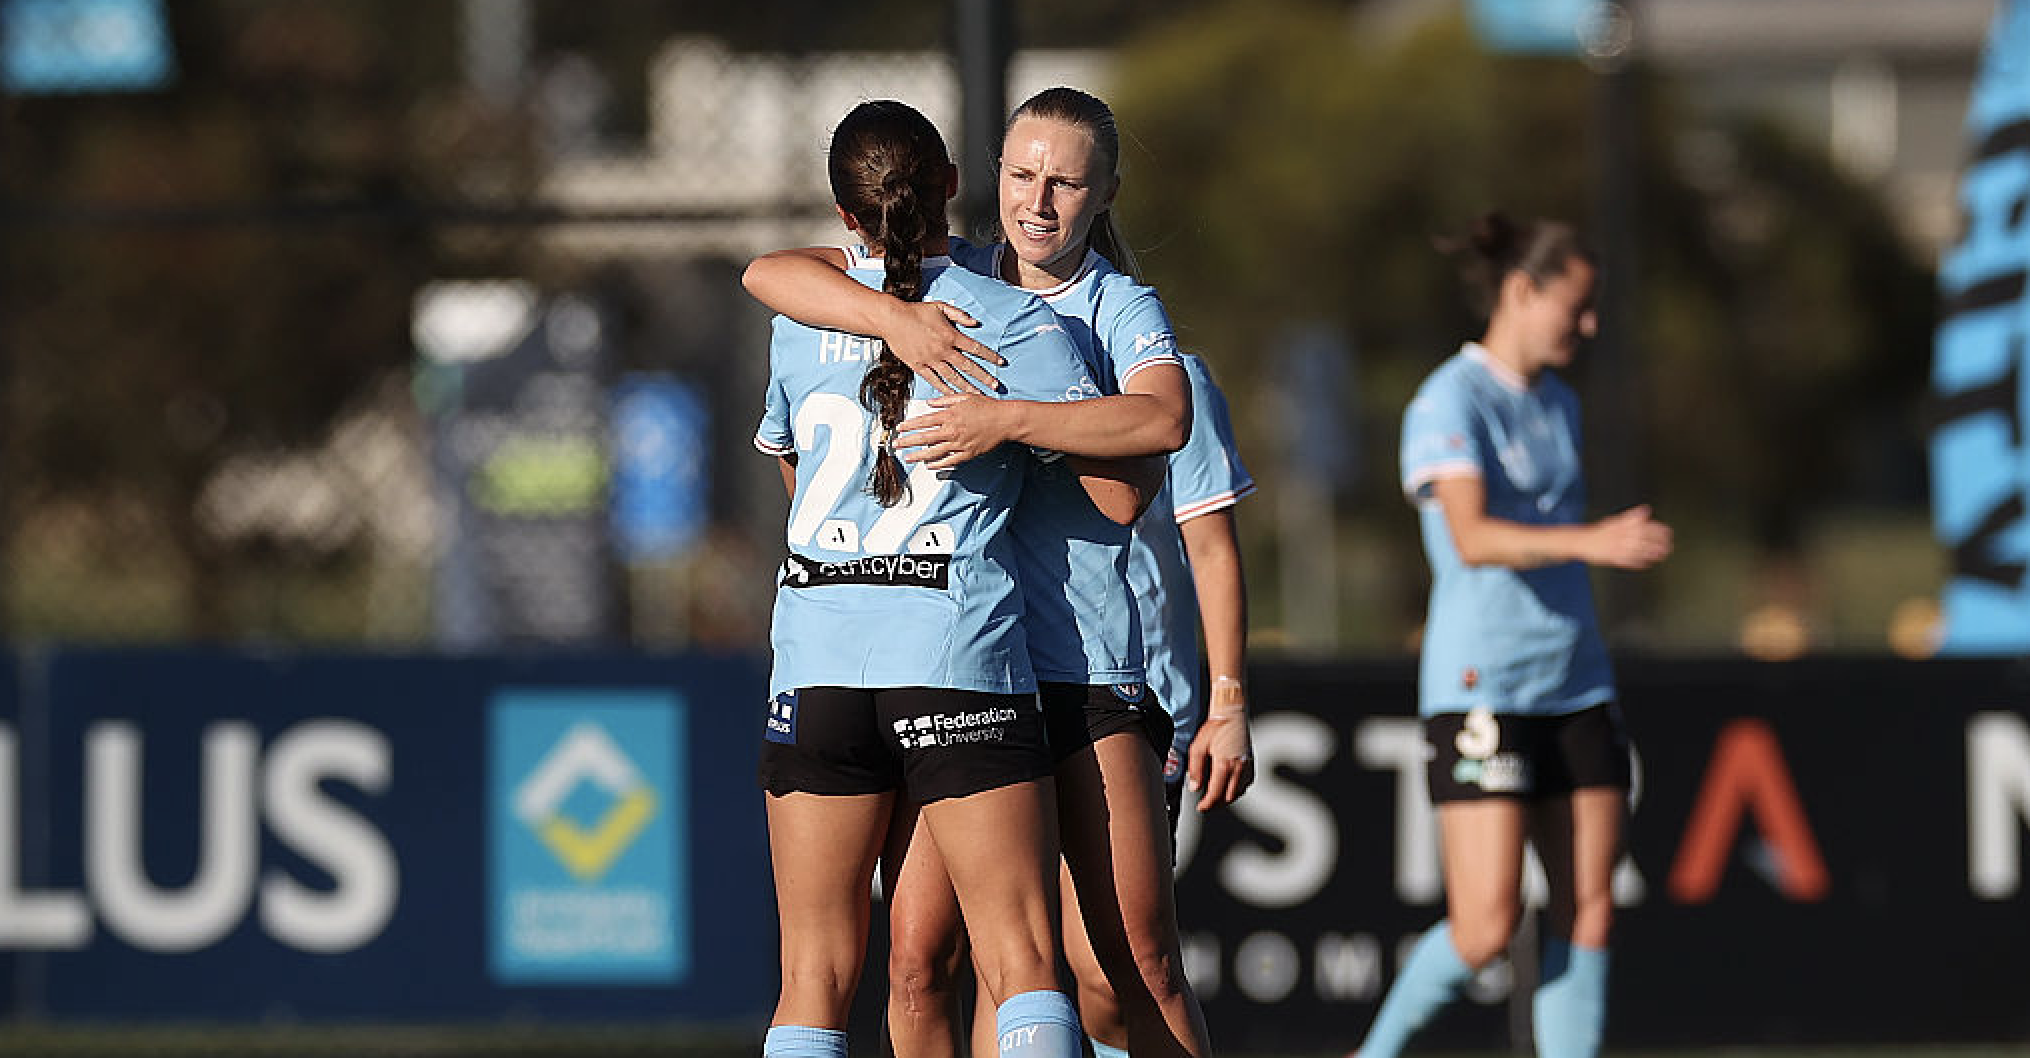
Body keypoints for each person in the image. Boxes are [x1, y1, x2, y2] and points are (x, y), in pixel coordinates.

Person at [744, 87, 1220, 1058]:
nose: (1038, 199)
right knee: (997, 962)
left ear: (843, 212)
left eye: (1063, 179)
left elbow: (787, 432)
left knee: (817, 978)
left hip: (840, 657)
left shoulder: (806, 315)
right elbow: (1127, 488)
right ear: (964, 184)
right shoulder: (999, 315)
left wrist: (987, 415)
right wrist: (918, 339)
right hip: (956, 653)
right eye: (1020, 174)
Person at [1355, 213, 1673, 1058]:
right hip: (1482, 687)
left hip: (1577, 682)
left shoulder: (1560, 401)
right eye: (1580, 305)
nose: (1591, 324)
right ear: (1523, 292)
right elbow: (1472, 536)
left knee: (1589, 906)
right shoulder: (1448, 401)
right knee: (1486, 927)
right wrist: (1591, 541)